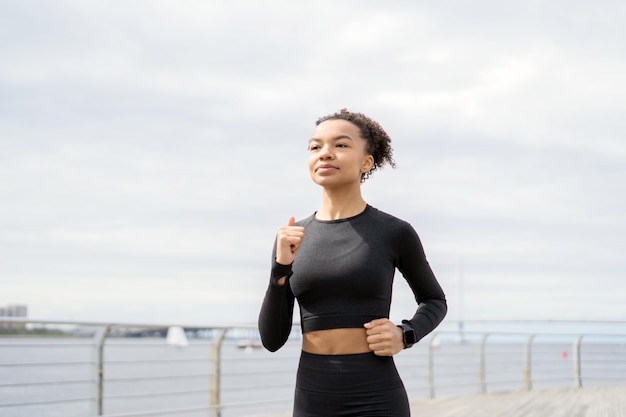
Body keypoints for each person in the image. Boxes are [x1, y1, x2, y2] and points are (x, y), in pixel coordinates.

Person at [258, 108, 447, 416]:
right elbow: (272, 339)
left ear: (366, 162)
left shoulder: (394, 232)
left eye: (341, 145)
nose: (325, 154)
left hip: (376, 394)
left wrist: (405, 334)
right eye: (315, 146)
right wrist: (280, 268)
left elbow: (434, 300)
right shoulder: (293, 237)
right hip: (312, 395)